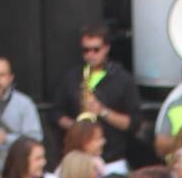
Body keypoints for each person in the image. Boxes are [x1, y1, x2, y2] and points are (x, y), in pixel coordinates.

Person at [53, 24, 140, 168]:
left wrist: (102, 111)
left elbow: (133, 123)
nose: (90, 55)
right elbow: (55, 113)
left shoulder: (123, 79)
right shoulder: (72, 77)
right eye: (85, 50)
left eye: (96, 50)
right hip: (78, 159)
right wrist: (77, 128)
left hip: (112, 161)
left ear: (106, 48)